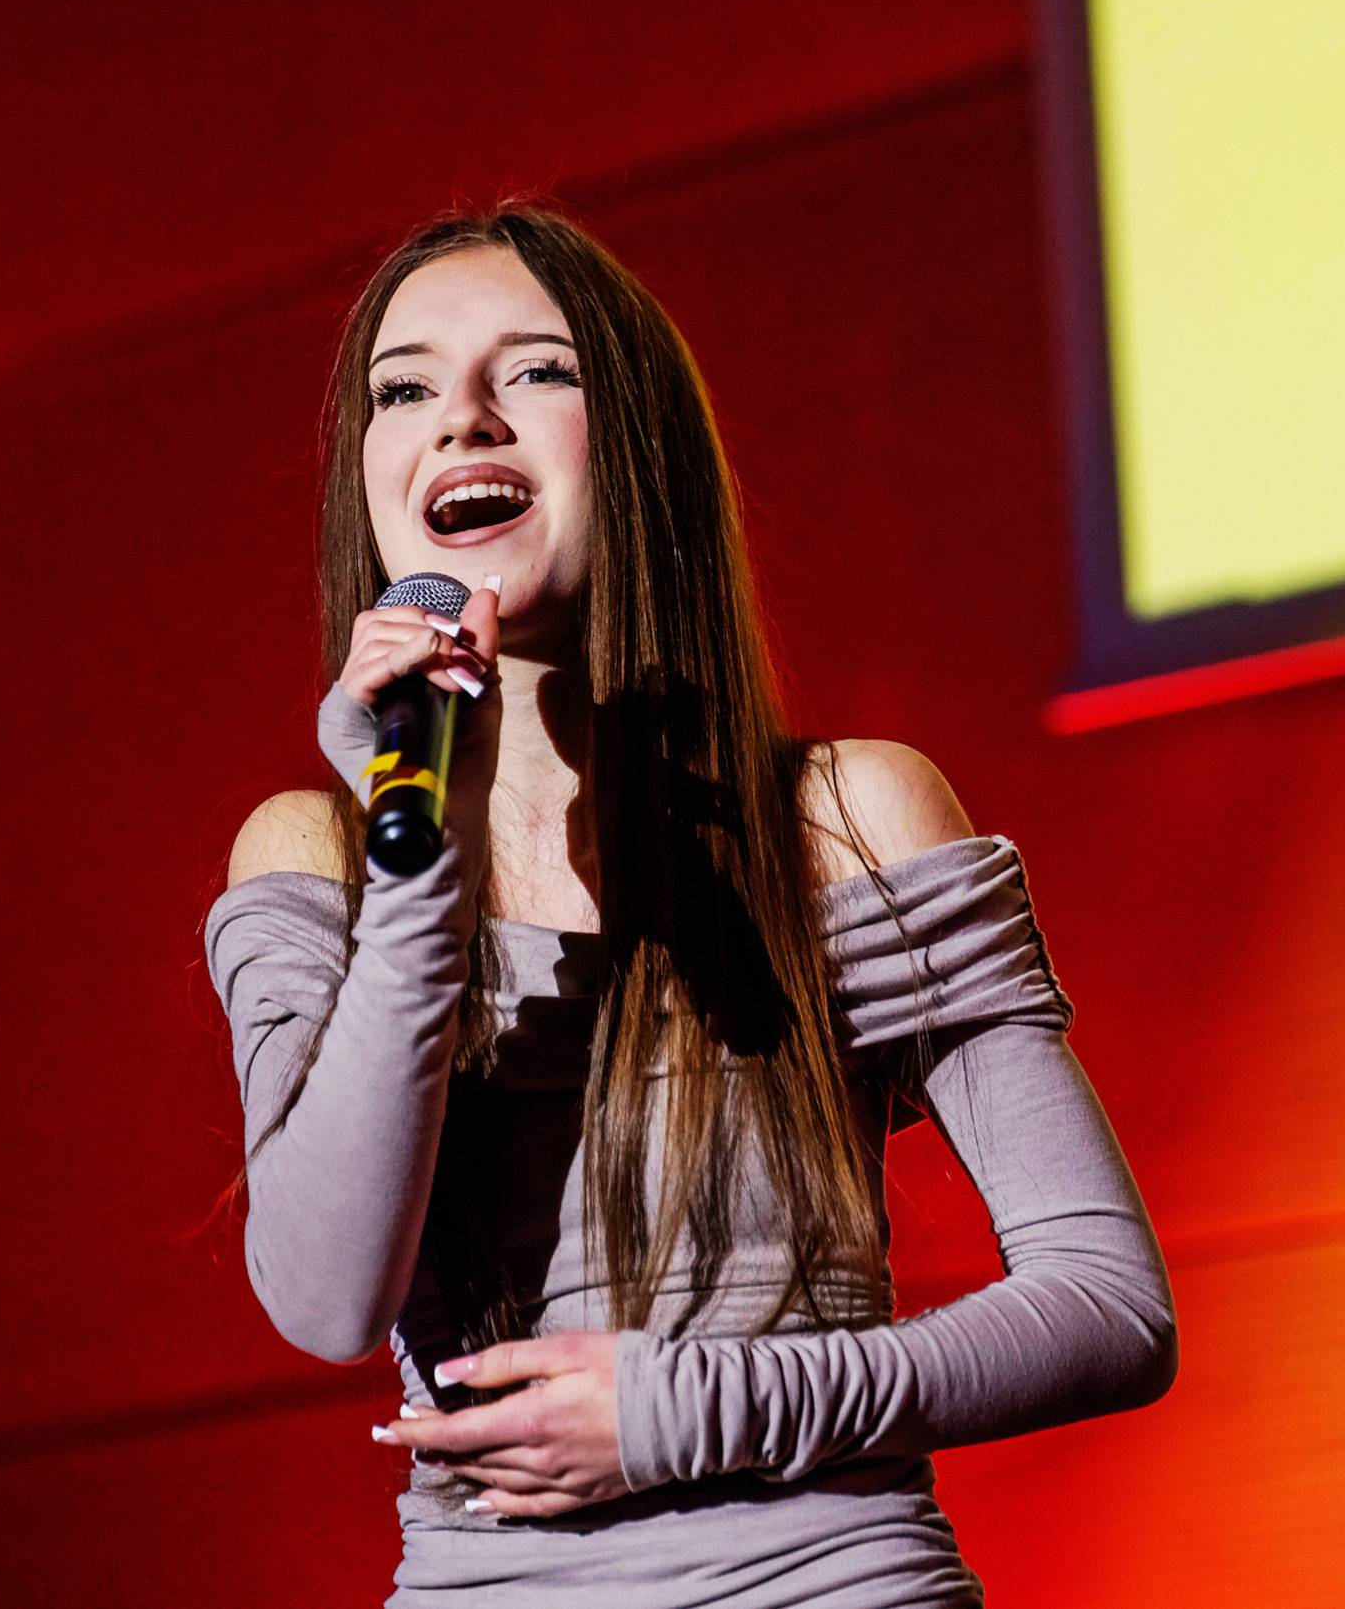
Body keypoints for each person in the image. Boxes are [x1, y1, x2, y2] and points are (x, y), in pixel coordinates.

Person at [202, 198, 1177, 1608]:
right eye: (403, 390)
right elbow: (326, 1297)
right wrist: (428, 854)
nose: (462, 417)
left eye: (537, 371)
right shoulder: (319, 858)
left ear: (641, 446)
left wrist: (687, 1409)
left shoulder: (841, 821)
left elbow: (1108, 1306)